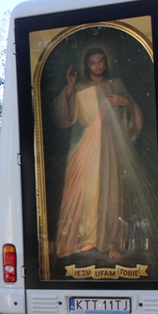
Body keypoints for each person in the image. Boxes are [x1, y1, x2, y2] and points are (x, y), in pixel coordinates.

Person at [52, 47, 146, 260]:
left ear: (105, 63)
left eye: (101, 61)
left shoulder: (117, 85)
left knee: (111, 192)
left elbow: (133, 115)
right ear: (87, 65)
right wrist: (69, 87)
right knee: (89, 192)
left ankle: (111, 242)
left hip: (112, 145)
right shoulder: (81, 87)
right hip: (87, 145)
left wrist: (126, 103)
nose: (97, 66)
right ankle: (89, 238)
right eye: (93, 63)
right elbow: (66, 116)